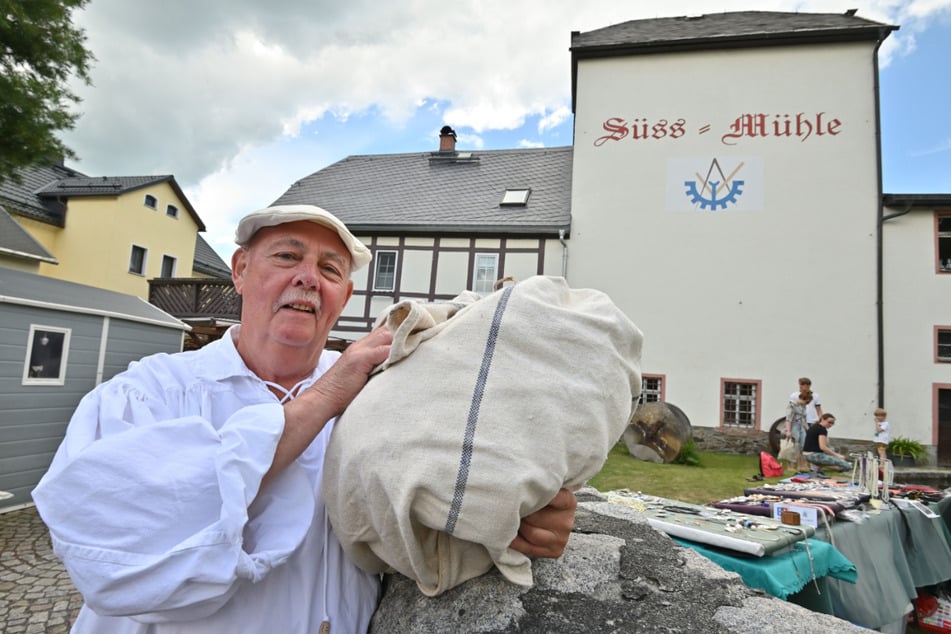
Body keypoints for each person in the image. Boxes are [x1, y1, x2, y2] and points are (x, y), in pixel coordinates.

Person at [32, 204, 577, 634]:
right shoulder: (147, 392)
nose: (308, 279)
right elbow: (105, 538)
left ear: (345, 295)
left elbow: (434, 500)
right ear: (240, 271)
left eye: (330, 269)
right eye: (287, 258)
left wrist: (521, 515)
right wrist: (327, 394)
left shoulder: (385, 396)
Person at [783, 389, 812, 472]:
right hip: (793, 426)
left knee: (803, 446)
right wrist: (788, 431)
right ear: (802, 398)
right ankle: (790, 466)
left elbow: (804, 418)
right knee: (793, 446)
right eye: (806, 401)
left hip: (802, 426)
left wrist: (808, 430)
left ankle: (801, 465)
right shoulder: (792, 405)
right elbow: (788, 419)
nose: (807, 403)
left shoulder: (804, 406)